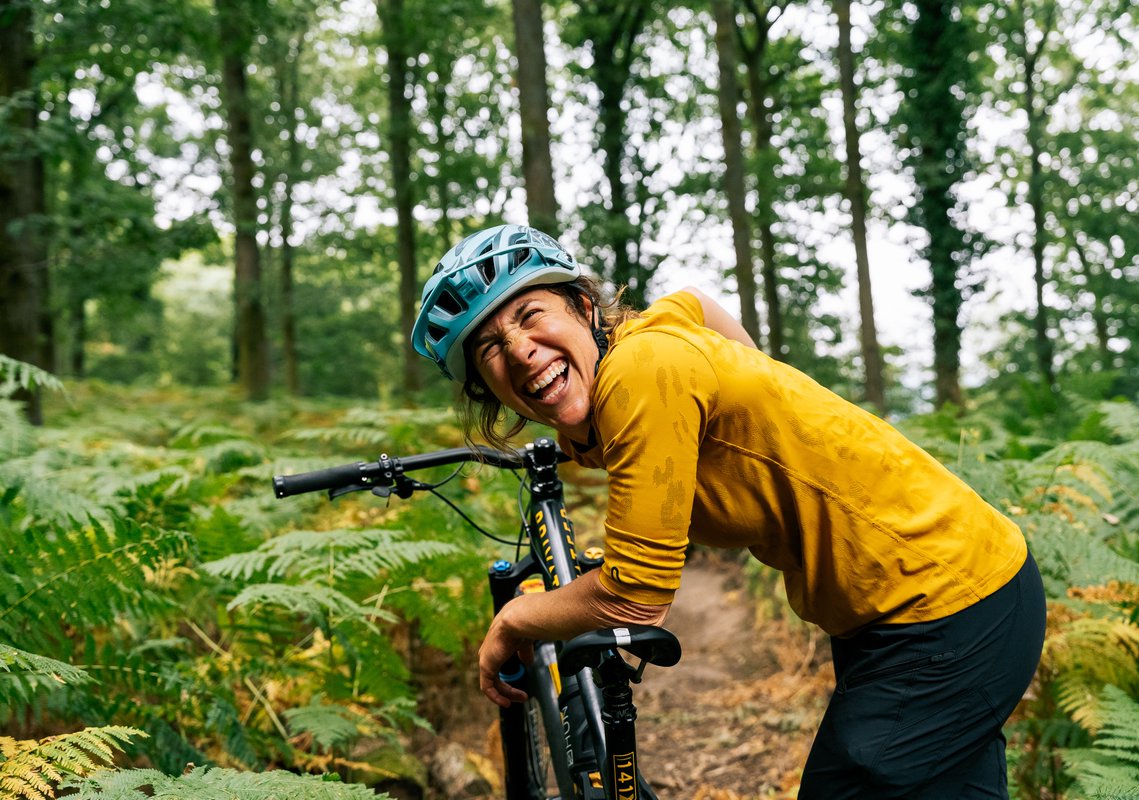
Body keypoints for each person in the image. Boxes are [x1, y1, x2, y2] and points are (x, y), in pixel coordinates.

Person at [411, 223, 1046, 799]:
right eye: (491, 348)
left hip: (946, 603)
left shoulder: (640, 369)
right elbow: (697, 300)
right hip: (918, 602)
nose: (520, 348)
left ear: (582, 307)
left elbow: (635, 598)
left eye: (530, 315)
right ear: (484, 386)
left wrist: (514, 621)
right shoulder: (645, 344)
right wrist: (761, 391)